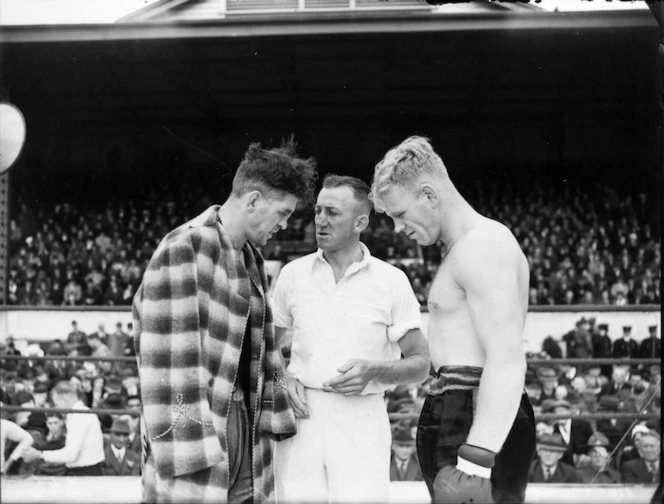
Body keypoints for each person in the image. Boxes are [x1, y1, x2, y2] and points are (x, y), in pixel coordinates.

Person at [133, 138, 317, 503]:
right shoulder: (185, 247)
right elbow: (167, 360)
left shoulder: (252, 259)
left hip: (244, 421)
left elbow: (257, 346)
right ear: (252, 200)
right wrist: (188, 446)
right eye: (282, 213)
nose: (284, 225)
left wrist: (283, 378)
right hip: (197, 426)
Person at [371, 136, 536, 503]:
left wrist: (478, 458)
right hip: (459, 409)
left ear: (429, 195)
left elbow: (507, 359)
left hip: (474, 413)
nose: (398, 229)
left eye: (400, 214)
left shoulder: (483, 246)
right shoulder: (463, 248)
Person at [272, 174, 429, 503]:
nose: (320, 221)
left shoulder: (391, 281)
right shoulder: (292, 274)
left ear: (360, 221)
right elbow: (265, 344)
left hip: (363, 414)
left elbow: (420, 365)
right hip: (302, 413)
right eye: (317, 211)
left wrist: (375, 370)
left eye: (332, 212)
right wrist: (283, 377)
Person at [21, 381, 105, 475]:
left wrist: (39, 454)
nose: (57, 408)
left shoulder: (79, 416)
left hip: (84, 473)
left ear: (66, 398)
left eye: (57, 404)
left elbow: (70, 454)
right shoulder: (81, 414)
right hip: (85, 471)